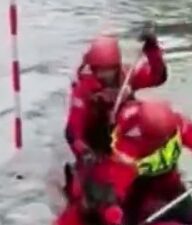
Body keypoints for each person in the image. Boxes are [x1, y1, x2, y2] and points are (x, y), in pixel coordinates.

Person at [89, 98, 192, 225]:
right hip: (135, 191)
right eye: (159, 139)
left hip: (168, 181)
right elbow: (113, 189)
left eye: (167, 136)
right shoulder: (127, 148)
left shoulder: (177, 124)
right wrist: (114, 224)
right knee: (132, 223)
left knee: (190, 214)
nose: (165, 141)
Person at [64, 24, 166, 171]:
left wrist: (152, 49)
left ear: (117, 66)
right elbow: (73, 131)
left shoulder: (127, 77)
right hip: (96, 139)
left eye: (109, 70)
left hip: (123, 133)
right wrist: (85, 152)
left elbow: (157, 77)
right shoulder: (83, 89)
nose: (104, 75)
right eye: (99, 70)